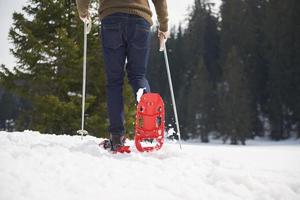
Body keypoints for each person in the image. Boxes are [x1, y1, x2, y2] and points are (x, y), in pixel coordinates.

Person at [76, 0, 169, 151]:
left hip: (112, 18)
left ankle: (117, 138)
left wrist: (84, 13)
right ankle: (149, 130)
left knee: (114, 81)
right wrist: (163, 25)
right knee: (138, 76)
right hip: (140, 21)